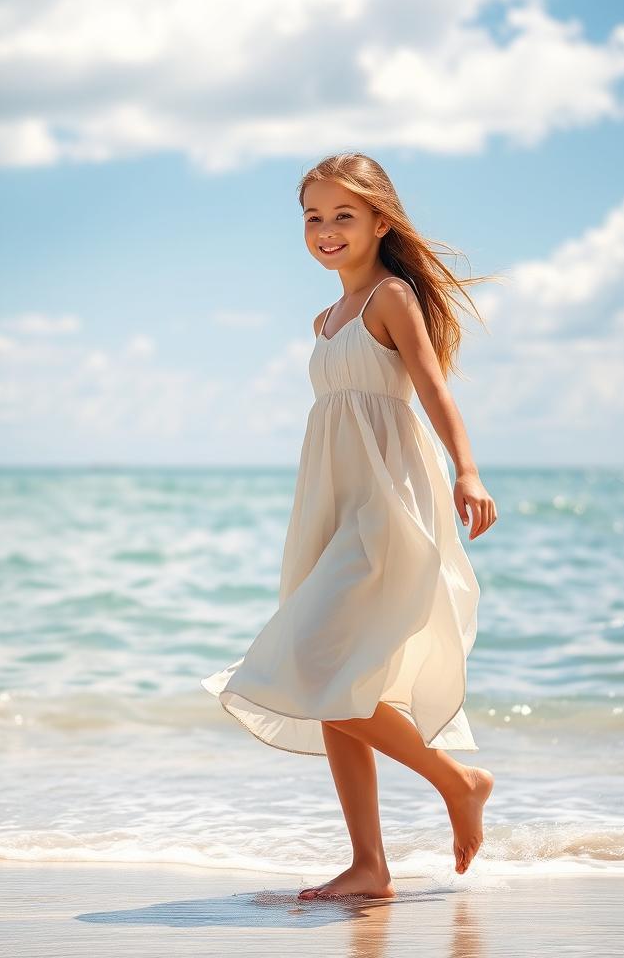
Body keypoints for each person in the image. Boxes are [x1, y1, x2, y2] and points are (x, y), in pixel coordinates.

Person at [201, 152, 500, 902]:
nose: (326, 230)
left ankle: (457, 781)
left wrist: (468, 471)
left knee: (319, 668)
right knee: (331, 679)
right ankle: (370, 865)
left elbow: (434, 391)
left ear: (379, 222)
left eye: (343, 215)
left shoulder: (391, 298)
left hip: (384, 508)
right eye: (313, 216)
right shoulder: (326, 317)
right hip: (331, 508)